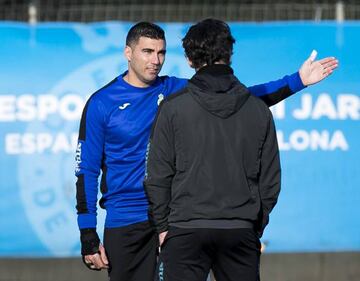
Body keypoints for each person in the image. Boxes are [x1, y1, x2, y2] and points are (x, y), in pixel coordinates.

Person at [75, 21, 337, 281]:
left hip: (173, 218)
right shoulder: (102, 103)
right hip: (127, 220)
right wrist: (88, 233)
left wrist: (298, 81)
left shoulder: (174, 89)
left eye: (161, 52)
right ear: (128, 53)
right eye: (147, 52)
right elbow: (86, 170)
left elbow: (242, 97)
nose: (155, 60)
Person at [144, 18, 282, 281]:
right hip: (239, 229)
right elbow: (271, 179)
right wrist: (253, 224)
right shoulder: (258, 109)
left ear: (188, 59)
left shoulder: (173, 108)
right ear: (229, 53)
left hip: (185, 229)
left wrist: (163, 227)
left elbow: (156, 175)